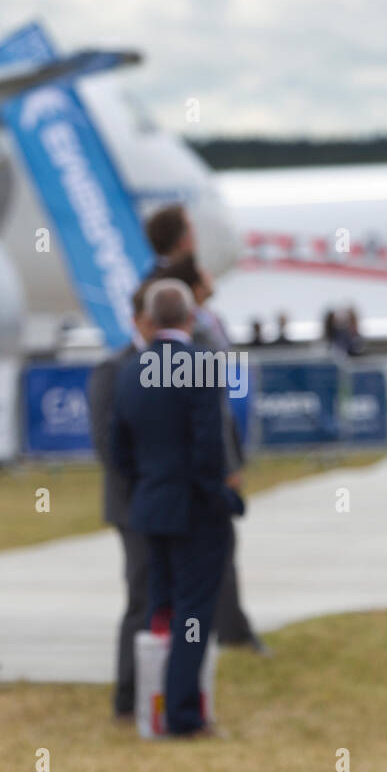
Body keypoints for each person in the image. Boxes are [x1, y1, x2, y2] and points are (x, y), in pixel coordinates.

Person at [110, 279, 244, 737]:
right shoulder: (201, 364)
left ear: (151, 318)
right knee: (193, 614)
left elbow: (118, 451)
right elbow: (208, 448)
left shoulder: (129, 369)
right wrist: (220, 498)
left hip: (150, 505)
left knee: (160, 610)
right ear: (190, 317)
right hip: (196, 509)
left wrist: (146, 487)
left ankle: (155, 705)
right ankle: (184, 715)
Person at [152, 251, 267, 654]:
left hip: (222, 440)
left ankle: (227, 625)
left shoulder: (209, 322)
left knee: (219, 545)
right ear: (195, 284)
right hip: (208, 455)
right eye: (203, 270)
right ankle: (228, 627)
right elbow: (209, 405)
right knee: (215, 545)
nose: (210, 273)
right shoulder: (196, 333)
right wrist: (228, 464)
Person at [88, 282, 155, 720]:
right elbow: (107, 444)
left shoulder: (181, 364)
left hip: (168, 502)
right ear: (137, 320)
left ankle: (162, 687)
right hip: (134, 503)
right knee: (141, 595)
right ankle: (128, 697)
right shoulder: (114, 368)